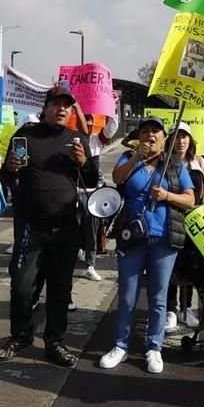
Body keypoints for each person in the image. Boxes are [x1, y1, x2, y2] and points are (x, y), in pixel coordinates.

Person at [0, 84, 98, 367]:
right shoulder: (25, 135)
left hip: (66, 228)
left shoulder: (77, 139)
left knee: (59, 289)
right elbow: (6, 177)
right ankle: (20, 336)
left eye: (67, 105)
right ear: (46, 107)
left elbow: (90, 181)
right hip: (31, 226)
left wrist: (84, 162)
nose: (62, 109)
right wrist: (11, 169)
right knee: (21, 286)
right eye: (57, 104)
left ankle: (54, 342)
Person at [100, 116, 195, 374]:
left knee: (158, 296)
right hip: (133, 239)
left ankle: (154, 347)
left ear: (164, 138)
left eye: (156, 132)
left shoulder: (174, 163)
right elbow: (118, 178)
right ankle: (120, 345)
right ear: (138, 136)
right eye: (145, 131)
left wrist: (167, 196)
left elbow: (190, 199)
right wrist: (135, 159)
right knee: (127, 295)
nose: (150, 135)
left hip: (163, 239)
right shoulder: (129, 158)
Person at [166, 121, 204, 331]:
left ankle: (186, 308)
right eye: (176, 136)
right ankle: (170, 310)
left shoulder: (199, 162)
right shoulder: (165, 162)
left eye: (184, 136)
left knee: (191, 266)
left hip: (195, 222)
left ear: (190, 140)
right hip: (171, 221)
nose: (181, 141)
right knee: (170, 266)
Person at [80, 108, 120, 281]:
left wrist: (113, 108)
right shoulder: (71, 140)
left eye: (90, 125)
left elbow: (111, 128)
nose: (88, 128)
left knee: (92, 230)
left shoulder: (96, 140)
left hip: (93, 193)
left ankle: (90, 264)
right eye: (84, 124)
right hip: (74, 192)